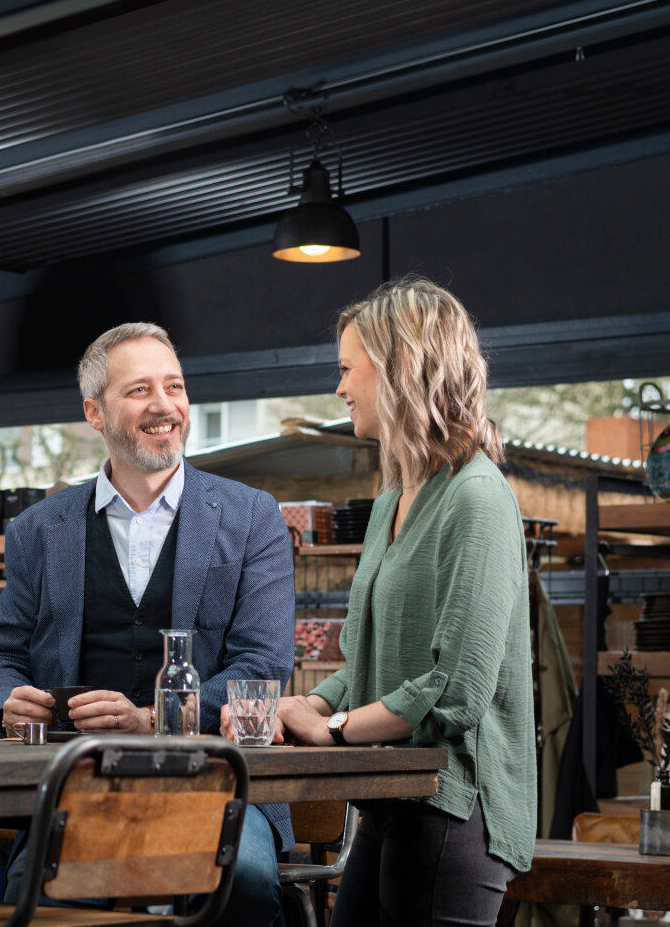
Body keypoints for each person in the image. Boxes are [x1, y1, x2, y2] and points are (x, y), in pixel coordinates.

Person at [225, 277, 535, 926]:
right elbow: (373, 663)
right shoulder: (394, 498)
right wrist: (312, 701)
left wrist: (333, 728)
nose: (338, 389)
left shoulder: (477, 496)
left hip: (453, 802)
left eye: (346, 369)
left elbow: (455, 687)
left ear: (398, 369)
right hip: (389, 791)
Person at [0, 321, 295, 925]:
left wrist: (156, 719)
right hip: (76, 786)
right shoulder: (39, 531)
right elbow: (2, 658)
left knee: (243, 884)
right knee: (38, 890)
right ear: (95, 413)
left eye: (174, 386)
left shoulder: (252, 516)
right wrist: (3, 703)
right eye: (140, 390)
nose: (164, 405)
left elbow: (264, 667)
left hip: (219, 784)